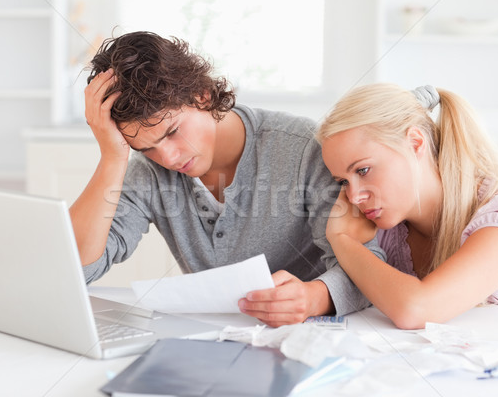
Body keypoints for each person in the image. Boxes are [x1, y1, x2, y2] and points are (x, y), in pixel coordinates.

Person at [69, 31, 385, 327]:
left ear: (203, 95)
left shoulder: (305, 148)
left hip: (314, 337)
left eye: (173, 132)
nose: (168, 158)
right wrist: (113, 157)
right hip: (212, 341)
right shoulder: (148, 171)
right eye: (146, 147)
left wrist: (316, 298)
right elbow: (78, 269)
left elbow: (369, 268)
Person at [317, 83, 498, 329]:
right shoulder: (384, 228)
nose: (353, 197)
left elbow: (415, 310)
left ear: (415, 143)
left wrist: (341, 239)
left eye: (363, 170)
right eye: (343, 182)